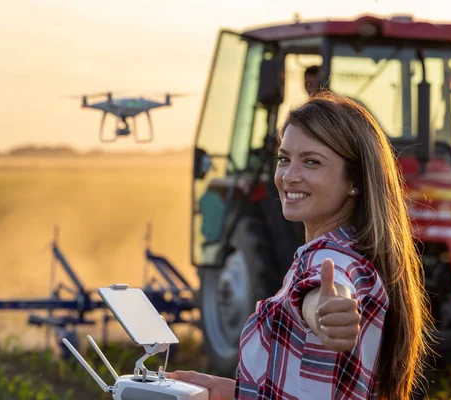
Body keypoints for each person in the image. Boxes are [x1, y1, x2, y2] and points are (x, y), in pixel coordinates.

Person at [168, 92, 432, 399]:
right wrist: (229, 392)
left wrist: (327, 311)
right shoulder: (356, 255)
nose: (289, 176)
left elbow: (323, 289)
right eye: (284, 159)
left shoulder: (330, 261)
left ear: (355, 181)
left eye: (311, 162)